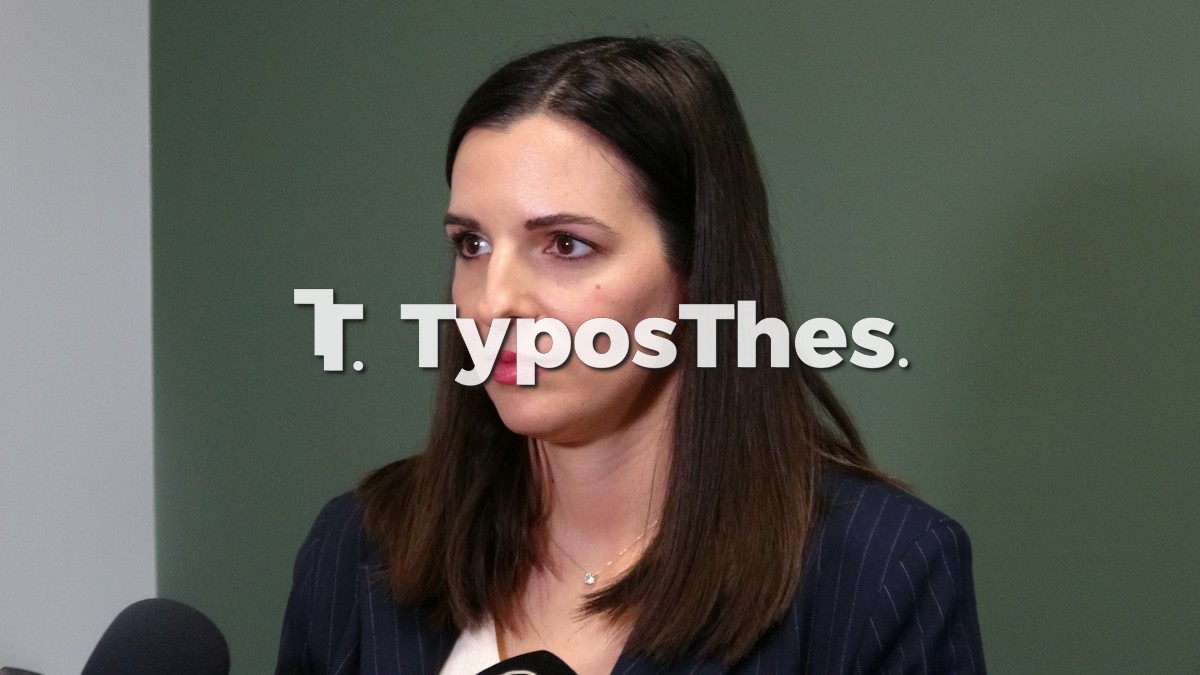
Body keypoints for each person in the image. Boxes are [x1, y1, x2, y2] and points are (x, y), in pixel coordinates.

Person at [275, 36, 985, 675]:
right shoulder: (359, 547)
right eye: (473, 244)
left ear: (698, 271)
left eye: (566, 245)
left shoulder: (882, 571)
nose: (492, 304)